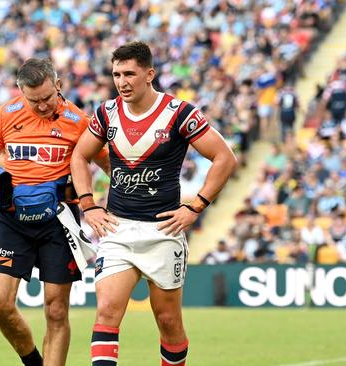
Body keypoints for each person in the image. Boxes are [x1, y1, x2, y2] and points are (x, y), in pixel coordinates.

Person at [70, 41, 237, 366]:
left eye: (129, 73)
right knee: (106, 312)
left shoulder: (180, 113)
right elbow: (80, 154)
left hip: (163, 232)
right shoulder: (106, 113)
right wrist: (88, 205)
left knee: (168, 322)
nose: (122, 82)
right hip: (117, 230)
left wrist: (196, 206)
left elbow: (224, 157)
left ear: (150, 74)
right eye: (117, 74)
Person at [0, 58, 109, 366]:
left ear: (58, 86)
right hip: (11, 219)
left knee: (56, 310)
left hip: (59, 221)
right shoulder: (5, 115)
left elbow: (107, 164)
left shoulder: (79, 121)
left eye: (47, 98)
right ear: (21, 92)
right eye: (34, 101)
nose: (42, 106)